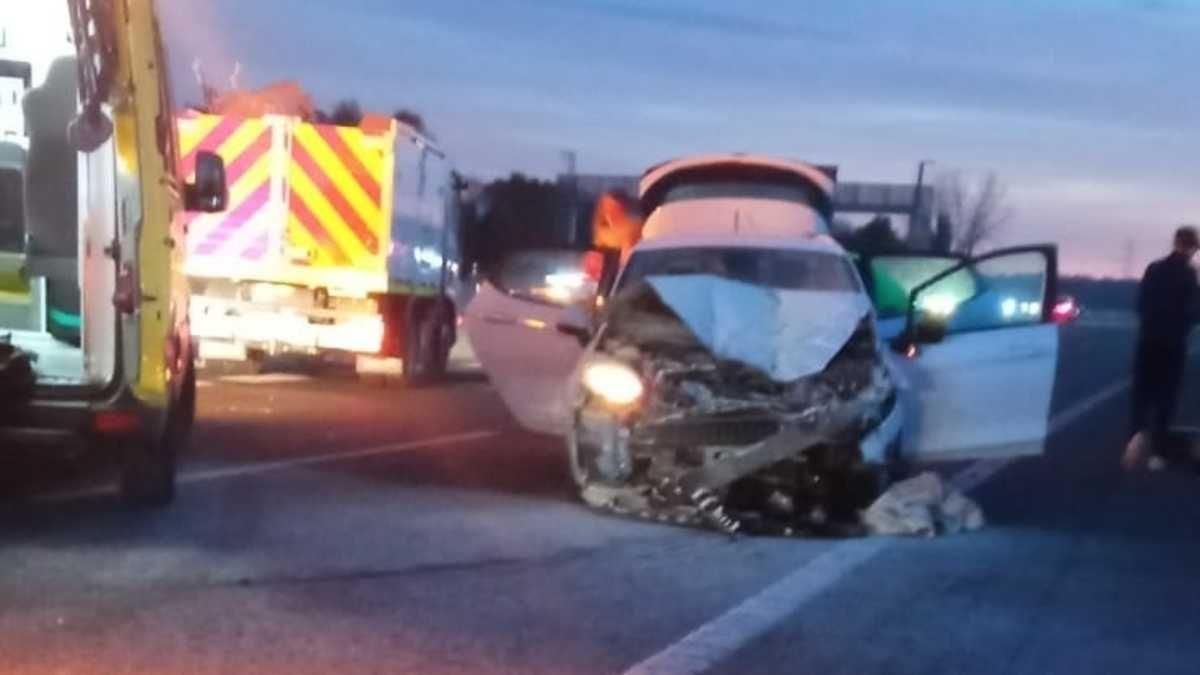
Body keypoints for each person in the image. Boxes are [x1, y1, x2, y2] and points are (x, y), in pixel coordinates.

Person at [1123, 225, 1200, 470]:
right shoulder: (1189, 275)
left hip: (1148, 340)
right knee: (1166, 398)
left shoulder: (1154, 269)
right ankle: (1158, 449)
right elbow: (1194, 310)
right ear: (1191, 247)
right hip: (1173, 342)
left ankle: (1134, 445)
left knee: (1142, 395)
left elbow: (1141, 304)